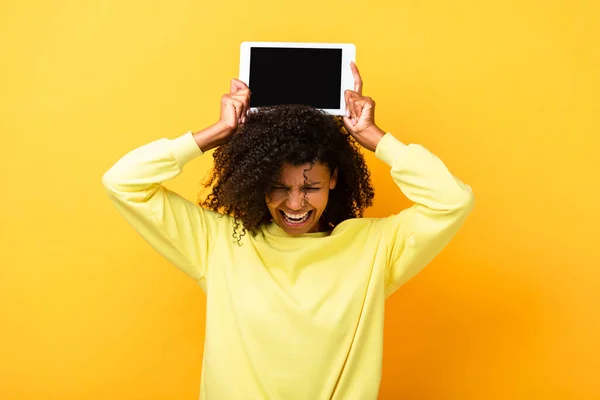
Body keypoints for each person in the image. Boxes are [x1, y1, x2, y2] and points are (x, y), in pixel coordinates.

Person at [102, 62, 475, 400]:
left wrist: (375, 137)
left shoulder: (375, 248)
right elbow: (123, 182)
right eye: (279, 186)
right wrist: (217, 133)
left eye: (310, 187)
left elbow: (452, 201)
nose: (295, 204)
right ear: (258, 183)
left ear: (333, 181)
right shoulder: (220, 243)